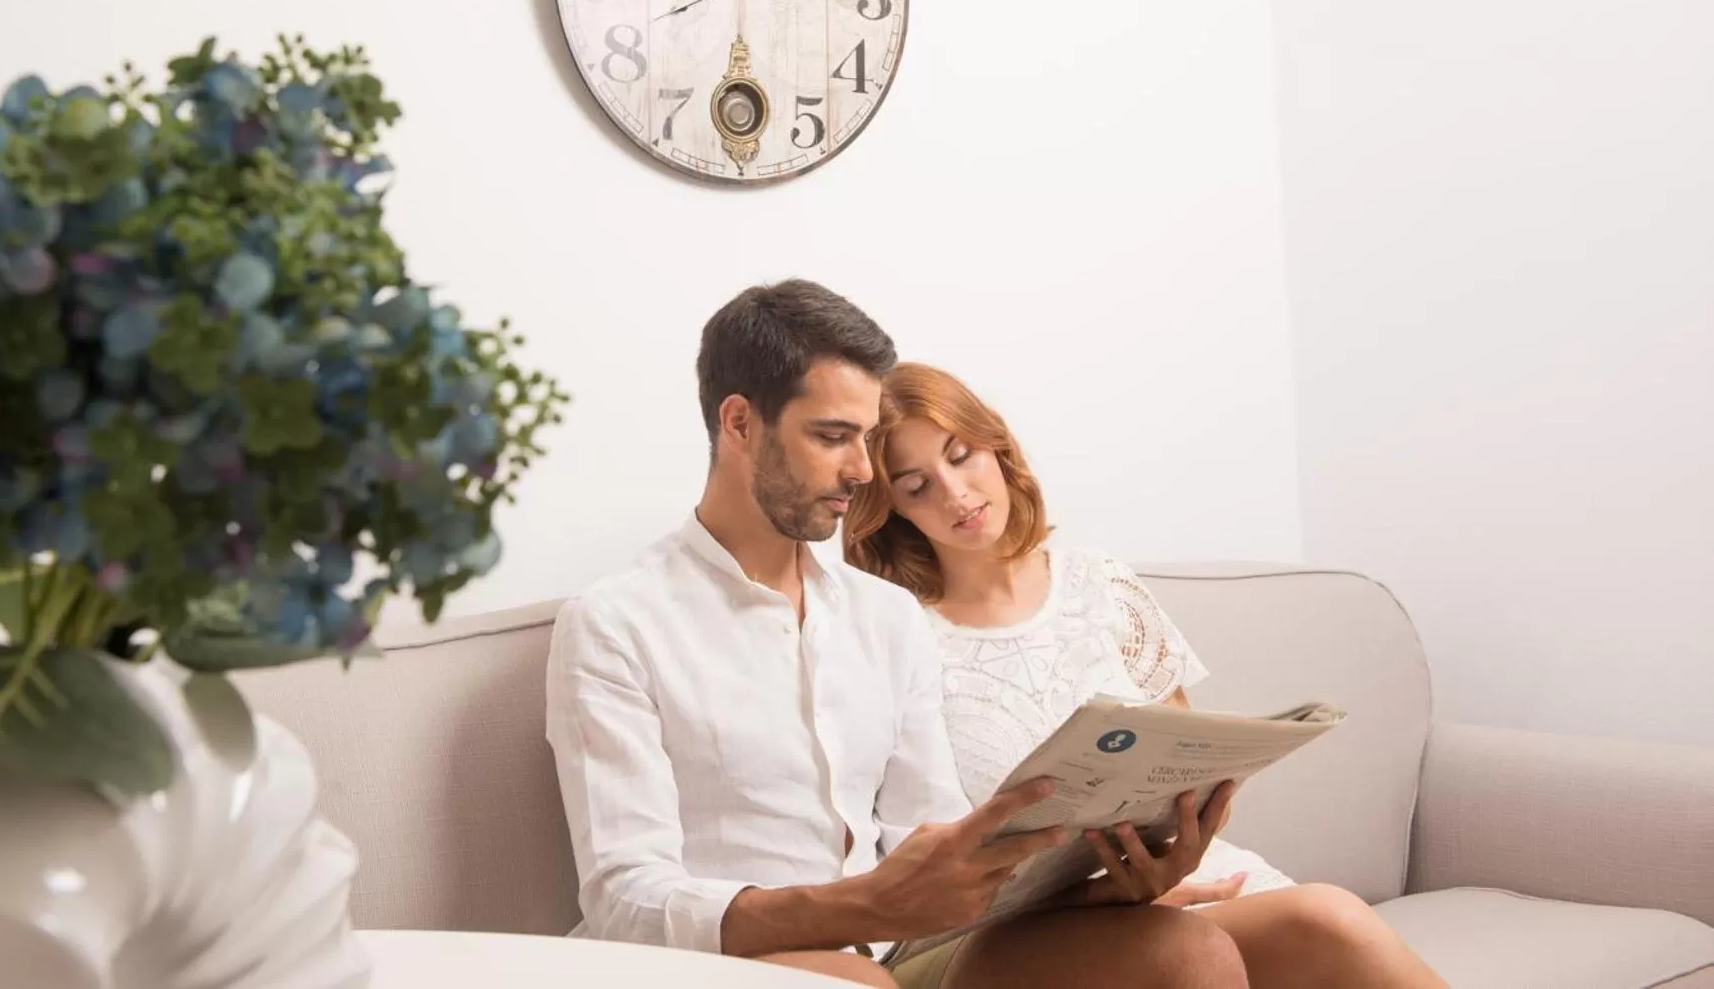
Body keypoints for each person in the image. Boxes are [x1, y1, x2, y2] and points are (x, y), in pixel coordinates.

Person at [545, 280, 1256, 988]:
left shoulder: (884, 618)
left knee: (1186, 953)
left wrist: (1092, 892)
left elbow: (936, 841)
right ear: (738, 424)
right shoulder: (615, 624)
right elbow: (623, 898)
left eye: (863, 438)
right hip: (729, 966)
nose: (861, 470)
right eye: (831, 437)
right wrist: (860, 905)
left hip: (906, 958)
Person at [844, 361, 1450, 989]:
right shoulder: (901, 636)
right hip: (1031, 930)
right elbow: (914, 851)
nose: (955, 493)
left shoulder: (1100, 583)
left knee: (1331, 922)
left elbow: (1190, 765)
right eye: (916, 486)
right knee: (1314, 923)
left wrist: (1174, 852)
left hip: (1175, 880)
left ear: (994, 445)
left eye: (961, 455)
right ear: (893, 511)